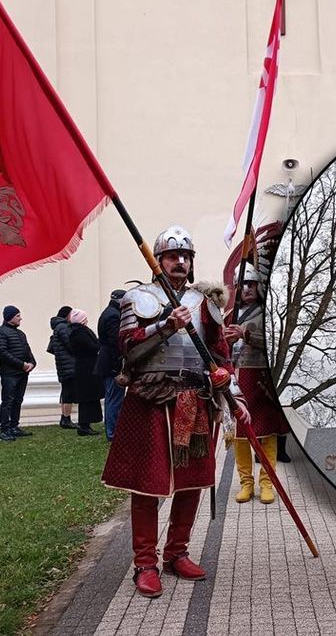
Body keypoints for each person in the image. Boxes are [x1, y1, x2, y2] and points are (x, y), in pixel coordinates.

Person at [101, 225, 250, 599]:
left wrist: (233, 392)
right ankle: (145, 563)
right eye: (172, 256)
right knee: (147, 484)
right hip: (151, 401)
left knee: (192, 483)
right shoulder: (137, 298)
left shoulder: (207, 304)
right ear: (158, 261)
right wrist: (165, 326)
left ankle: (177, 553)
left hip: (196, 400)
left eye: (186, 257)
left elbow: (220, 355)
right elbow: (128, 351)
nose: (180, 262)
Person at [223, 268, 288, 504]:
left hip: (262, 379)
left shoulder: (268, 312)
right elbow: (218, 347)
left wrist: (247, 335)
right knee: (241, 434)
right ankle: (246, 484)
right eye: (243, 285)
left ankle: (267, 484)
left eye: (252, 284)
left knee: (268, 435)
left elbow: (278, 342)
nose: (248, 289)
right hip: (236, 376)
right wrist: (225, 340)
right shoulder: (229, 314)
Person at [0, 305, 36, 442]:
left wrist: (32, 363)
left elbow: (27, 350)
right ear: (10, 317)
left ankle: (14, 426)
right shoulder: (0, 332)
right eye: (18, 316)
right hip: (10, 374)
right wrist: (21, 364)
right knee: (8, 401)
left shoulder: (20, 334)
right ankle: (4, 429)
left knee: (18, 400)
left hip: (23, 373)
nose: (20, 318)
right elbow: (3, 353)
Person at [96, 289, 127, 441]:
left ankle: (112, 431)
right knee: (115, 399)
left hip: (106, 361)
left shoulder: (108, 312)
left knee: (111, 398)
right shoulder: (113, 315)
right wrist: (117, 365)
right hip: (111, 363)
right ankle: (113, 432)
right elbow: (115, 342)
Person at [67, 309, 103, 437]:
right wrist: (100, 343)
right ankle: (84, 425)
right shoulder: (79, 332)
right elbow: (92, 347)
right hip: (86, 369)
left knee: (88, 397)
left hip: (86, 367)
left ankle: (86, 424)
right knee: (87, 397)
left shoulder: (77, 331)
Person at [47, 305, 78, 430]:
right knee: (68, 392)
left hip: (63, 364)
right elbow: (70, 344)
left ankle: (65, 417)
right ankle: (66, 418)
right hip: (68, 364)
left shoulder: (58, 327)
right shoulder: (63, 327)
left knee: (66, 391)